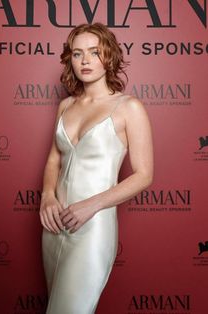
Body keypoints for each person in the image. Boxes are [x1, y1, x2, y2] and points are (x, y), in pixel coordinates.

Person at [40, 22, 153, 314]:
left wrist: (90, 206)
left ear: (109, 56)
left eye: (94, 52)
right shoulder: (65, 106)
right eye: (77, 54)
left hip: (92, 227)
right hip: (54, 226)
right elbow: (54, 159)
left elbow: (144, 175)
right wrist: (47, 197)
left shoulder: (129, 107)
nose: (86, 61)